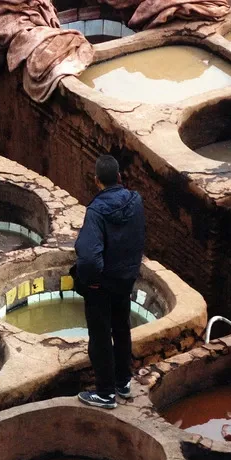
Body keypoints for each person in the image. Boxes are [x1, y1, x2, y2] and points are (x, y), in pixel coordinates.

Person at [74, 154, 147, 410]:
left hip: (102, 285)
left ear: (97, 181)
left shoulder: (95, 212)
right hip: (125, 280)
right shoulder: (136, 201)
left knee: (100, 336)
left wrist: (91, 281)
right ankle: (123, 382)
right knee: (122, 328)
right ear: (119, 177)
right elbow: (138, 237)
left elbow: (89, 258)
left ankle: (105, 393)